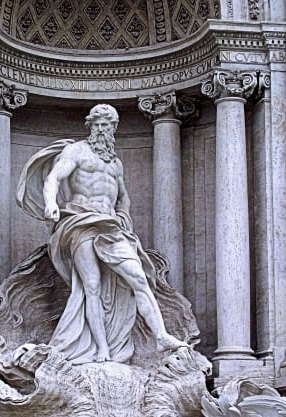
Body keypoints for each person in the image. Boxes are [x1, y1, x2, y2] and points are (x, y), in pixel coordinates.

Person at [17, 104, 187, 365]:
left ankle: (161, 336)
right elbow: (54, 178)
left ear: (113, 128)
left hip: (110, 226)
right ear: (90, 126)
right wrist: (50, 203)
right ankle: (102, 348)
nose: (100, 129)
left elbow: (123, 197)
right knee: (92, 286)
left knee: (139, 278)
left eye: (106, 125)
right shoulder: (76, 150)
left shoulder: (115, 164)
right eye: (96, 124)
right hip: (80, 221)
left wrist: (124, 216)